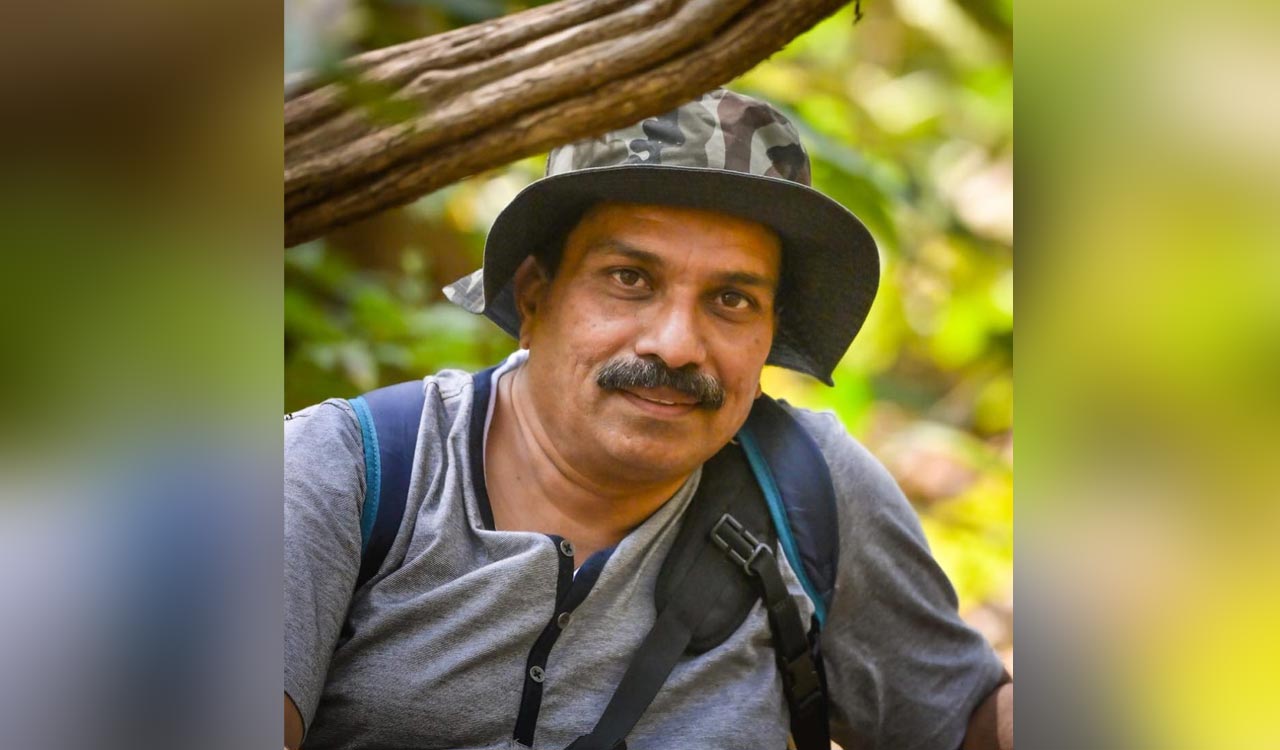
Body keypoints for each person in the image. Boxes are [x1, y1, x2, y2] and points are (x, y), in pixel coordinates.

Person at [285, 88, 1012, 750]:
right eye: (630, 280)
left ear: (769, 334)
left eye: (732, 300)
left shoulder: (806, 489)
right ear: (536, 296)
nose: (675, 344)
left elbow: (964, 724)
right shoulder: (347, 472)